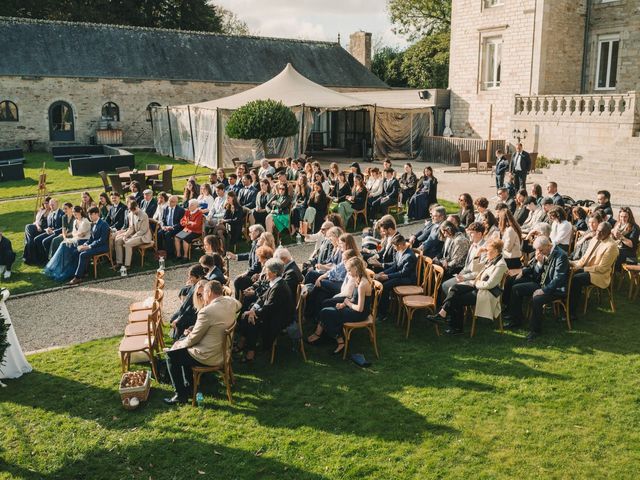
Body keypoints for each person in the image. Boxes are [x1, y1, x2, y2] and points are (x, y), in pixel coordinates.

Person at [164, 280, 241, 405]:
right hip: (223, 351)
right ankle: (189, 386)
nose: (202, 296)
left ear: (209, 292)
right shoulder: (231, 302)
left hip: (209, 355)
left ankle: (180, 395)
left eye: (203, 293)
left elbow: (194, 338)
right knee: (181, 349)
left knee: (171, 355)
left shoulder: (207, 311)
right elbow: (239, 305)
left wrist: (177, 345)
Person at [427, 238, 508, 335]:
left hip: (487, 292)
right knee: (455, 288)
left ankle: (454, 326)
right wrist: (478, 254)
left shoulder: (500, 265)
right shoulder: (492, 259)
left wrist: (475, 283)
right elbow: (476, 269)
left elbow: (489, 284)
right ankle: (443, 314)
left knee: (456, 298)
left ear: (495, 251)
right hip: (478, 286)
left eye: (488, 250)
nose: (486, 252)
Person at [503, 235, 569, 341]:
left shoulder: (561, 255)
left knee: (537, 299)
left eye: (541, 250)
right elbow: (536, 274)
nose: (539, 252)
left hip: (555, 289)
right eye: (538, 250)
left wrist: (543, 290)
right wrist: (539, 263)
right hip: (541, 284)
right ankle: (516, 320)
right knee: (516, 288)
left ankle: (535, 330)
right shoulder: (543, 252)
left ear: (548, 245)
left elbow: (558, 279)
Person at [306, 256, 373, 354]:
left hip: (359, 314)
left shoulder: (362, 284)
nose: (348, 273)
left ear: (355, 269)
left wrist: (347, 303)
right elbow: (354, 298)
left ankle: (338, 340)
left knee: (325, 312)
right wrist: (343, 304)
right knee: (326, 308)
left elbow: (359, 308)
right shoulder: (358, 278)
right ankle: (331, 337)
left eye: (349, 270)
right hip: (353, 308)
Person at [239, 259, 294, 362]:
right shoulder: (275, 282)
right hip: (273, 313)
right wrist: (253, 309)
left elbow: (269, 308)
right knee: (249, 314)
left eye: (267, 270)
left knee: (252, 320)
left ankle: (250, 351)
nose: (264, 272)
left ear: (274, 273)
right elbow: (263, 298)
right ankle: (246, 344)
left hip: (279, 319)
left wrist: (253, 313)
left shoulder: (279, 287)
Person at [569, 222, 619, 320]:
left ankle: (571, 313)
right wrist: (576, 265)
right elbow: (585, 258)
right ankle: (565, 301)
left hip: (599, 274)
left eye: (602, 232)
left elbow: (602, 269)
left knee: (576, 279)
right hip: (588, 268)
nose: (598, 234)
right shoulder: (594, 239)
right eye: (597, 231)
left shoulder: (611, 246)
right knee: (568, 271)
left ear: (609, 234)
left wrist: (583, 269)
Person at [374, 235, 417, 319]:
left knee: (385, 286)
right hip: (400, 276)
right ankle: (379, 308)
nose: (393, 248)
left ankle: (383, 313)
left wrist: (387, 276)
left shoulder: (409, 256)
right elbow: (395, 267)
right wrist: (383, 272)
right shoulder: (399, 252)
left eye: (394, 246)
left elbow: (404, 273)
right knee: (380, 282)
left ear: (400, 245)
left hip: (408, 280)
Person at [44, 206, 91, 281]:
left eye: (76, 214)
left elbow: (82, 235)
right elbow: (74, 233)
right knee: (63, 244)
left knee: (65, 246)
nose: (75, 215)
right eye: (74, 214)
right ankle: (61, 268)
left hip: (83, 241)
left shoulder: (85, 221)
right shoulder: (75, 221)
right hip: (76, 239)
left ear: (80, 212)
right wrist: (75, 236)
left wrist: (76, 235)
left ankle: (70, 270)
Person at [441, 222, 486, 295]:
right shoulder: (473, 245)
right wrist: (460, 274)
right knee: (445, 284)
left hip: (475, 278)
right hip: (465, 273)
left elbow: (479, 271)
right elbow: (467, 265)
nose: (469, 235)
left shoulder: (484, 248)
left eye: (471, 233)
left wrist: (464, 277)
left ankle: (452, 305)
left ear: (479, 234)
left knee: (446, 286)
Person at [69, 207, 110, 285]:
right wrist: (84, 244)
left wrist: (89, 247)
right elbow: (91, 238)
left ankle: (77, 277)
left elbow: (102, 240)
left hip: (102, 247)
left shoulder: (103, 224)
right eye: (89, 214)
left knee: (83, 254)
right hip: (95, 246)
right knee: (76, 251)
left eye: (91, 214)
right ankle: (84, 272)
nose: (90, 216)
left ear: (97, 214)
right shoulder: (93, 224)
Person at [170, 265, 207, 339]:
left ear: (199, 276)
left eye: (191, 277)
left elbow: (188, 304)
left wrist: (179, 318)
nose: (189, 279)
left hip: (196, 313)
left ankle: (179, 339)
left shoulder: (199, 287)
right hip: (192, 309)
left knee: (179, 322)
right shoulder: (197, 283)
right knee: (173, 318)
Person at [228, 224, 265, 296]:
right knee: (238, 280)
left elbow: (258, 263)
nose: (249, 234)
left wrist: (247, 272)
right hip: (254, 272)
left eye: (251, 232)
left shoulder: (260, 244)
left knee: (238, 281)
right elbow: (250, 255)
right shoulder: (255, 242)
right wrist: (236, 256)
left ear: (257, 232)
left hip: (258, 274)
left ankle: (239, 301)